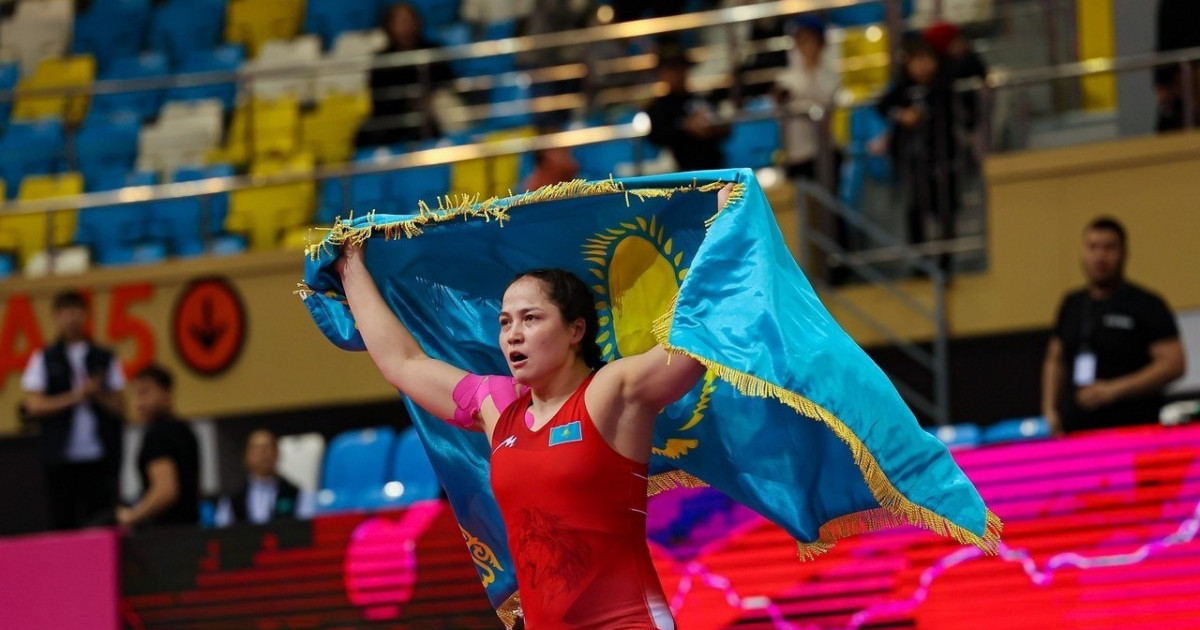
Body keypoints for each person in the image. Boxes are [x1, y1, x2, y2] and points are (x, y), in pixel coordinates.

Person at [333, 186, 734, 629]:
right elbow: (403, 363)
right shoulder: (497, 406)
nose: (513, 335)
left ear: (575, 330)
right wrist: (349, 264)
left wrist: (727, 224)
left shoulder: (610, 392)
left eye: (531, 318)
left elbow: (696, 340)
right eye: (505, 322)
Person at [1042, 217, 1186, 435]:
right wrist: (1049, 410)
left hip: (1133, 430)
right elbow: (1055, 359)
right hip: (1077, 430)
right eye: (1093, 247)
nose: (1100, 256)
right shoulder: (1072, 304)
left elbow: (1173, 364)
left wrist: (1114, 390)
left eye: (1109, 248)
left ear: (1123, 253)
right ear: (1083, 253)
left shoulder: (1146, 304)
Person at [21, 290, 125, 530]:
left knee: (100, 520)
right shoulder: (45, 357)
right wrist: (77, 396)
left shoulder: (104, 357)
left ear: (85, 314)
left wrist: (96, 393)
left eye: (76, 311)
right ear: (56, 316)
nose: (72, 318)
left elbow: (119, 406)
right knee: (63, 522)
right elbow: (34, 405)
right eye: (65, 312)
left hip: (99, 455)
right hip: (60, 457)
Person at [875, 39, 958, 255]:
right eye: (916, 60)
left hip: (941, 158)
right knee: (914, 209)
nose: (921, 66)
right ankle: (920, 259)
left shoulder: (942, 84)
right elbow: (882, 105)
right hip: (911, 159)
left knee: (944, 207)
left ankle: (945, 258)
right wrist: (901, 114)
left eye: (926, 59)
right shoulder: (903, 88)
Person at [356, 2, 454, 148]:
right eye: (399, 22)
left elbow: (447, 82)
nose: (405, 26)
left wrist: (427, 99)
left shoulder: (432, 51)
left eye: (408, 21)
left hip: (429, 108)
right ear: (389, 26)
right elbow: (377, 97)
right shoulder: (381, 59)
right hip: (394, 114)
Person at [116, 365, 200, 528]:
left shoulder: (158, 435)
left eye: (145, 392)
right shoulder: (186, 430)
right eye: (136, 394)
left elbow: (165, 491)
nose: (139, 403)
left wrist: (131, 516)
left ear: (167, 394)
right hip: (191, 530)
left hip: (165, 534)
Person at [774, 15, 840, 182]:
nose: (807, 46)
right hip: (798, 155)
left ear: (821, 42)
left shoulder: (831, 77)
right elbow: (779, 100)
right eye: (802, 40)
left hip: (826, 151)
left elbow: (826, 102)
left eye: (811, 40)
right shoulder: (786, 79)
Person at [644, 43, 730, 171]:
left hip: (716, 167)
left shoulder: (702, 98)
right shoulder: (658, 107)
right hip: (685, 171)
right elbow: (657, 137)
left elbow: (725, 129)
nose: (678, 74)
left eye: (681, 67)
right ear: (661, 73)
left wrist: (713, 127)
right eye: (672, 69)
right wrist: (685, 127)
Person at [214, 429, 314, 526]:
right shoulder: (232, 500)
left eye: (267, 448)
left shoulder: (297, 494)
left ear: (277, 453)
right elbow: (224, 532)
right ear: (246, 456)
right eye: (256, 449)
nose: (263, 454)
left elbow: (305, 528)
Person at [1154, 0, 1200, 131]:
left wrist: (1161, 81)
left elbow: (1165, 42)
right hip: (1184, 72)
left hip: (1183, 70)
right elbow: (1165, 42)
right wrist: (1162, 80)